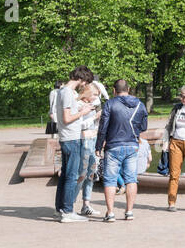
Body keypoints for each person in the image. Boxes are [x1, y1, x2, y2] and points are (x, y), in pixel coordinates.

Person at [96, 78, 148, 222]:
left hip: (113, 146)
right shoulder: (139, 104)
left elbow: (103, 128)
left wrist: (98, 146)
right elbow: (144, 126)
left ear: (114, 90)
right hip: (132, 145)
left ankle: (110, 212)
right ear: (128, 89)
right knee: (131, 179)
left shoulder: (110, 104)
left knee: (110, 180)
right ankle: (129, 211)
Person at [54, 66, 94, 222]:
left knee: (65, 175)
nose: (84, 85)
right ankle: (68, 211)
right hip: (70, 138)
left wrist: (81, 108)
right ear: (81, 79)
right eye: (85, 82)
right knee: (72, 176)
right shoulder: (67, 93)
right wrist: (83, 113)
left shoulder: (64, 92)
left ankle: (61, 208)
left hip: (67, 137)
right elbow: (66, 118)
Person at [76, 82, 103, 217]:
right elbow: (78, 125)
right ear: (87, 93)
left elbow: (103, 94)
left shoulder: (92, 104)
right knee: (82, 172)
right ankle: (69, 204)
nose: (96, 98)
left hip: (93, 139)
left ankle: (86, 204)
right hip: (84, 140)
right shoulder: (79, 105)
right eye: (94, 95)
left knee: (91, 173)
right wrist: (93, 117)